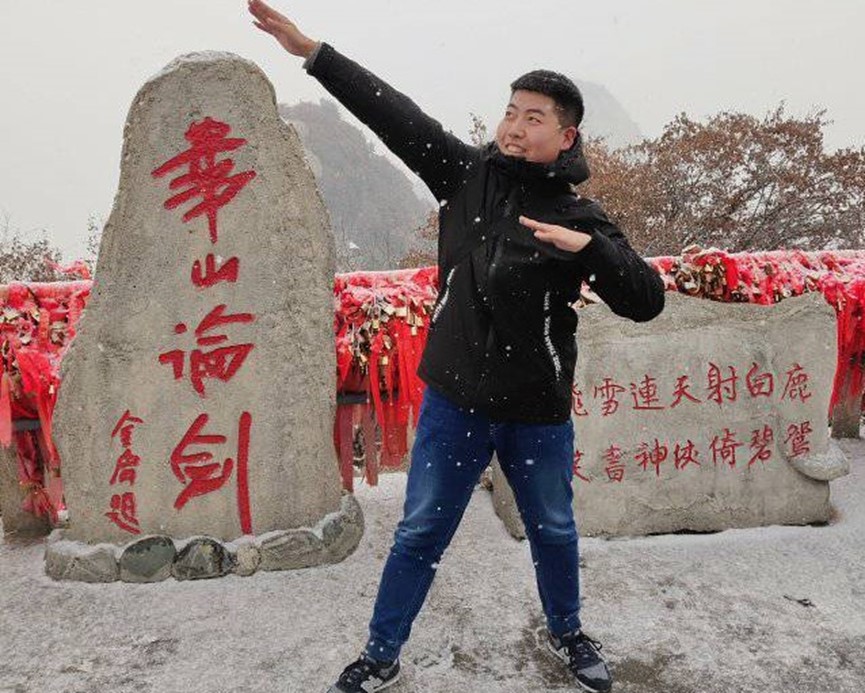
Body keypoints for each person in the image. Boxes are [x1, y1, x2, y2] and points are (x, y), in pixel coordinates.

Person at [248, 2, 665, 691]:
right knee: (419, 532)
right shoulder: (465, 176)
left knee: (554, 530)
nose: (515, 126)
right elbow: (395, 115)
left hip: (534, 409)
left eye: (534, 117)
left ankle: (567, 631)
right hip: (455, 401)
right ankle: (381, 652)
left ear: (566, 136)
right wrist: (314, 53)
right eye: (510, 111)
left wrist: (590, 250)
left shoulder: (579, 216)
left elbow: (645, 299)